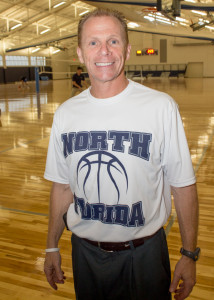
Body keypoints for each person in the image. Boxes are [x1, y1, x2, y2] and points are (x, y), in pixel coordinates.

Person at [44, 8, 199, 300]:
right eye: (93, 42)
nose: (104, 51)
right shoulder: (66, 114)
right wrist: (52, 245)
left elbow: (183, 186)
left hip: (145, 256)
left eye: (113, 41)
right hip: (85, 253)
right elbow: (62, 186)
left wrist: (189, 254)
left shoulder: (160, 107)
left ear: (127, 50)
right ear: (80, 53)